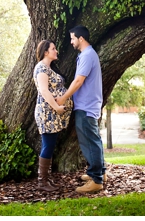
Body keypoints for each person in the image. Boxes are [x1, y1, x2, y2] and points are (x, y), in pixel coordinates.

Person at [57, 25, 106, 193]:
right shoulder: (88, 54)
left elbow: (78, 81)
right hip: (89, 105)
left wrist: (63, 98)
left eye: (72, 38)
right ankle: (101, 172)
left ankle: (96, 180)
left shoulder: (87, 55)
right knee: (94, 140)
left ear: (81, 39)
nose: (71, 42)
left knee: (89, 142)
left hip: (86, 106)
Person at [33, 40, 73, 192]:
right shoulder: (42, 68)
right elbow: (44, 91)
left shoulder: (48, 68)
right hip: (47, 112)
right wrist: (56, 107)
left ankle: (47, 179)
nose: (56, 51)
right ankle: (42, 181)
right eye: (53, 49)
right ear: (45, 52)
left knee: (50, 145)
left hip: (52, 113)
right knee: (48, 146)